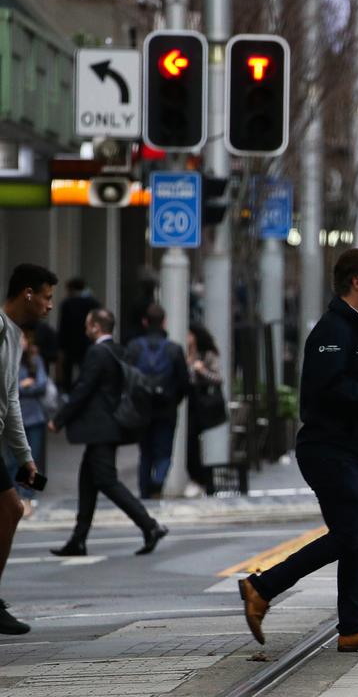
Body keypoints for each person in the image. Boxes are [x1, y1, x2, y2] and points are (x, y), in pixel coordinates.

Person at [237, 249, 358, 653]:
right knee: (348, 534)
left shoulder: (353, 327)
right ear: (356, 283)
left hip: (346, 450)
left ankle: (353, 627)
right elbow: (328, 391)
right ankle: (261, 587)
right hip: (327, 450)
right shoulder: (333, 331)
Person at [49, 308, 167, 558]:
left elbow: (83, 389)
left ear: (95, 327)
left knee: (107, 481)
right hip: (110, 427)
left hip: (101, 428)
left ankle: (150, 525)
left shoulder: (97, 353)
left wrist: (59, 420)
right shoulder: (117, 350)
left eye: (87, 324)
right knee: (88, 482)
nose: (84, 329)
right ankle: (78, 540)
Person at [0, 265, 56, 633]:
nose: (50, 306)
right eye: (47, 297)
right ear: (28, 294)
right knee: (11, 509)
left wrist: (25, 456)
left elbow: (11, 398)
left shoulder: (13, 336)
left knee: (12, 509)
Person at [127, 304, 191, 498]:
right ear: (164, 322)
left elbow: (127, 378)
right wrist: (173, 400)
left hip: (142, 409)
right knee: (163, 453)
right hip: (166, 409)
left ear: (145, 322)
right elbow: (184, 382)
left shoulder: (135, 347)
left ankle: (145, 492)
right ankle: (157, 482)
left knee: (145, 454)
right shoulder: (174, 349)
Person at [9, 332, 48, 514]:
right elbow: (7, 388)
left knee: (34, 458)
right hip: (13, 419)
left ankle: (30, 496)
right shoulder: (6, 359)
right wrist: (23, 385)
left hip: (35, 417)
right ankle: (15, 496)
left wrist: (22, 387)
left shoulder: (35, 358)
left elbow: (42, 385)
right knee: (12, 459)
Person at [186, 324, 224, 495]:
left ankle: (200, 480)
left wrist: (202, 371)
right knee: (189, 443)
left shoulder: (207, 355)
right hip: (186, 403)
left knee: (194, 442)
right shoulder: (182, 352)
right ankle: (198, 479)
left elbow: (218, 379)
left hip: (200, 404)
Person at [56, 277, 99, 393]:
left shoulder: (67, 304)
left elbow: (63, 326)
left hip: (70, 344)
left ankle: (68, 393)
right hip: (87, 342)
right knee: (86, 371)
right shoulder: (93, 303)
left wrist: (60, 346)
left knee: (68, 373)